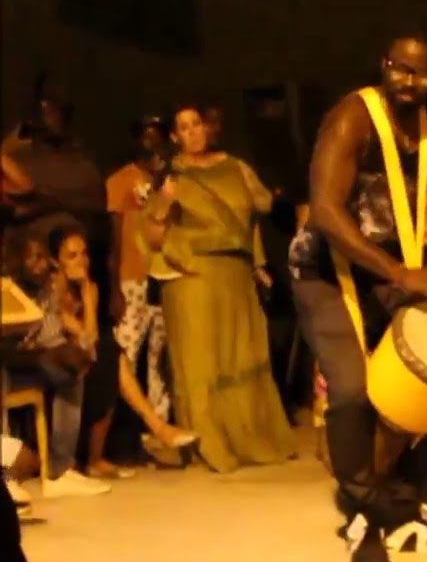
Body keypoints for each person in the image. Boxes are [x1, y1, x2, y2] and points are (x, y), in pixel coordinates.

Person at [289, 33, 427, 562]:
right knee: (351, 390)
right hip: (326, 269)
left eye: (422, 74)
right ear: (384, 66)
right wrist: (397, 273)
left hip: (397, 268)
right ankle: (362, 507)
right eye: (401, 70)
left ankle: (406, 498)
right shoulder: (353, 117)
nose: (411, 83)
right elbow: (324, 209)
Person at [143, 105, 296, 474]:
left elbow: (257, 211)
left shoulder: (235, 167)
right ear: (175, 136)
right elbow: (151, 235)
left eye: (197, 124)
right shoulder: (172, 175)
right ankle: (210, 442)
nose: (193, 132)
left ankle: (251, 437)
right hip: (192, 273)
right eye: (184, 127)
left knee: (240, 353)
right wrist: (165, 199)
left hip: (235, 272)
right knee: (201, 360)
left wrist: (258, 263)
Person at [106, 115, 196, 455]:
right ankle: (119, 436)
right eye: (145, 137)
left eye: (157, 137)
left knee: (162, 357)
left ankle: (163, 430)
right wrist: (115, 284)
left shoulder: (170, 181)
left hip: (165, 276)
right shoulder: (121, 180)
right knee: (127, 354)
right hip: (132, 277)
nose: (152, 144)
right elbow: (116, 236)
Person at [9, 226, 111, 496]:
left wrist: (71, 352)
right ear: (19, 260)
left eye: (44, 257)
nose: (42, 264)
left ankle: (60, 470)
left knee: (73, 368)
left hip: (36, 360)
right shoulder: (10, 288)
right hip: (12, 360)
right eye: (34, 258)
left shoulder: (49, 287)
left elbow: (59, 336)